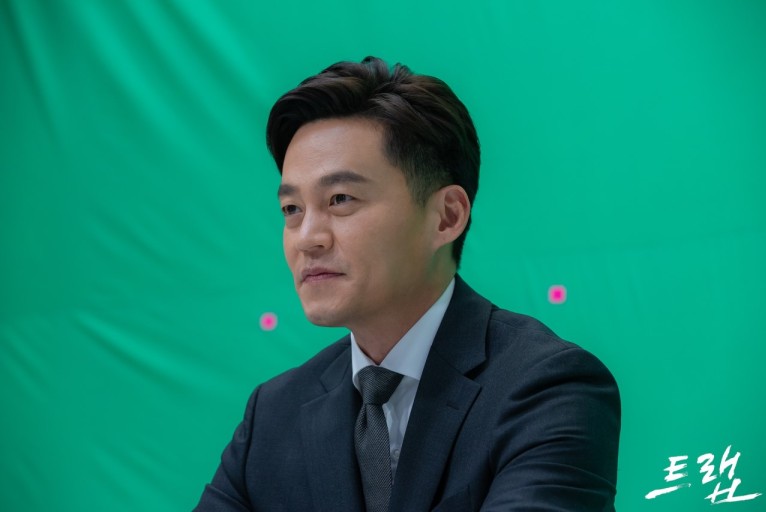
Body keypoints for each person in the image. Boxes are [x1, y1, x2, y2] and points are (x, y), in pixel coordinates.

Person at [194, 56, 620, 511]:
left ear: (446, 217)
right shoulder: (272, 415)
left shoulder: (546, 388)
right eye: (292, 209)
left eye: (340, 199)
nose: (307, 238)